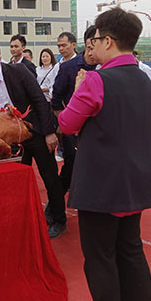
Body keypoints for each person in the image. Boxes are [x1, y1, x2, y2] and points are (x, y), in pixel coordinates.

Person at [58, 8, 151, 301]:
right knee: (131, 252)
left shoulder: (96, 80)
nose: (92, 46)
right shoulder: (144, 78)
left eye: (95, 40)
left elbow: (67, 123)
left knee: (100, 257)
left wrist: (77, 92)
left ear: (108, 41)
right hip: (134, 179)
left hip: (101, 184)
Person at [0, 44, 67, 239]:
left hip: (35, 132)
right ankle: (24, 217)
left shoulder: (18, 72)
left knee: (49, 177)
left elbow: (39, 100)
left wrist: (49, 133)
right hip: (13, 140)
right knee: (16, 181)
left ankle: (59, 219)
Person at [51, 25, 98, 194]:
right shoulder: (68, 68)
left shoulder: (104, 67)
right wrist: (63, 122)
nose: (93, 52)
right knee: (72, 162)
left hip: (96, 125)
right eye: (90, 47)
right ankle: (56, 201)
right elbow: (56, 98)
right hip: (73, 126)